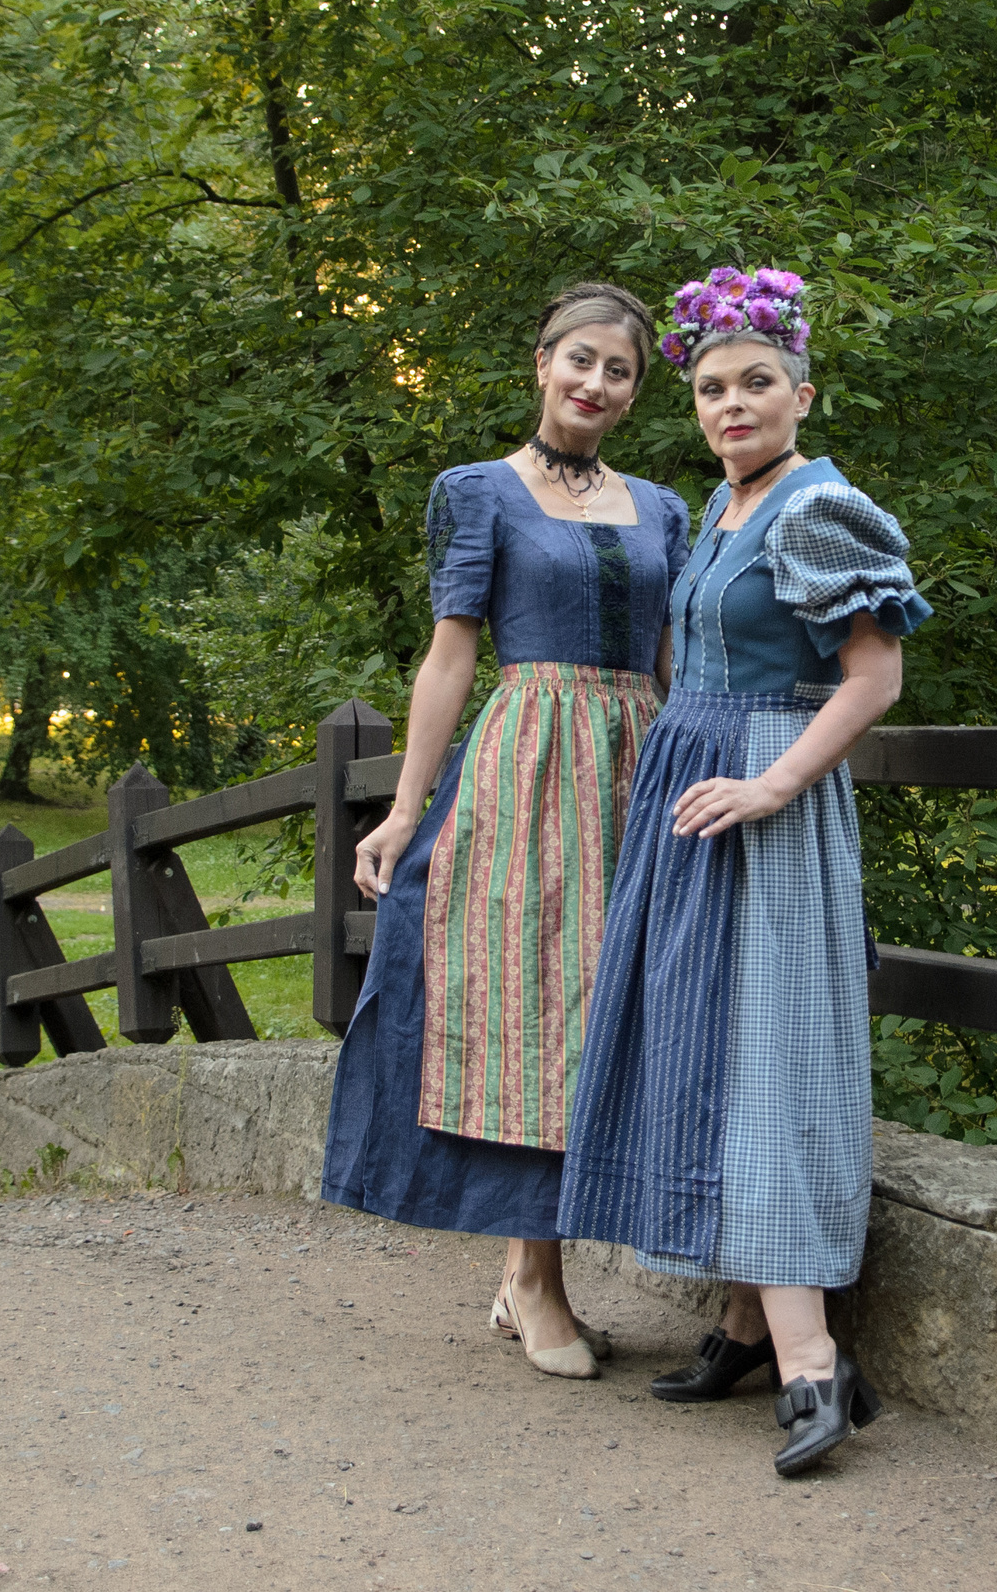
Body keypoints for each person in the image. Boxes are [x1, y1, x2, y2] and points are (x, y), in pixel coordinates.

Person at [559, 266, 931, 1474]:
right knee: (702, 1043)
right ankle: (742, 1324)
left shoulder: (822, 509)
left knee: (765, 1058)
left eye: (756, 382)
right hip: (695, 789)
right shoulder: (724, 506)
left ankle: (814, 1359)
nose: (731, 403)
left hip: (766, 799)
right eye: (712, 387)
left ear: (801, 394)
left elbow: (873, 677)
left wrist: (773, 784)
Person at [320, 282, 692, 1381]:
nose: (596, 383)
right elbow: (450, 657)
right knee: (538, 1007)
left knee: (622, 1006)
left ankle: (529, 1271)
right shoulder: (476, 492)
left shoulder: (665, 509)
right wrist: (403, 810)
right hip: (530, 762)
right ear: (541, 363)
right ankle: (534, 1277)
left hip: (639, 764)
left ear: (635, 391)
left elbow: (675, 665)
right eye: (580, 360)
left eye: (619, 370)